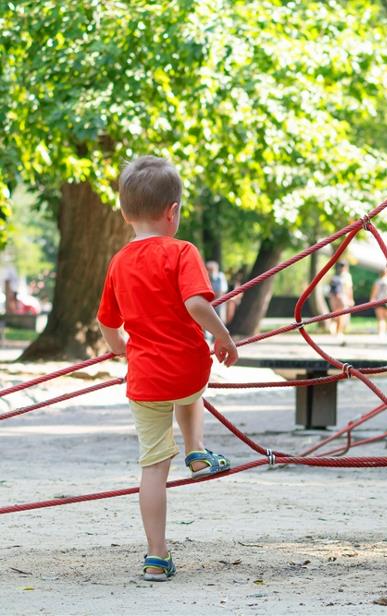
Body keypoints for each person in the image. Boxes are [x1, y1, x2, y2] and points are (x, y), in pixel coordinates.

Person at [96, 156, 238, 582]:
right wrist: (223, 336)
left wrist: (120, 348)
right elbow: (197, 303)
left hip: (144, 378)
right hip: (187, 368)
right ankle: (196, 451)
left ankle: (156, 554)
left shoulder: (119, 261)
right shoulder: (182, 251)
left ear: (123, 213)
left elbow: (107, 322)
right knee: (190, 390)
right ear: (172, 211)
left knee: (153, 467)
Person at [327, 261, 353, 341]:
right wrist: (350, 299)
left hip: (333, 296)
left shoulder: (334, 275)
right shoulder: (347, 276)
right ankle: (339, 332)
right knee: (341, 314)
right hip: (342, 296)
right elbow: (349, 288)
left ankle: (334, 329)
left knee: (335, 313)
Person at [370, 269, 387, 337]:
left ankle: (381, 333)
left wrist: (372, 300)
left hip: (379, 301)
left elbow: (374, 292)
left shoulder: (378, 281)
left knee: (381, 318)